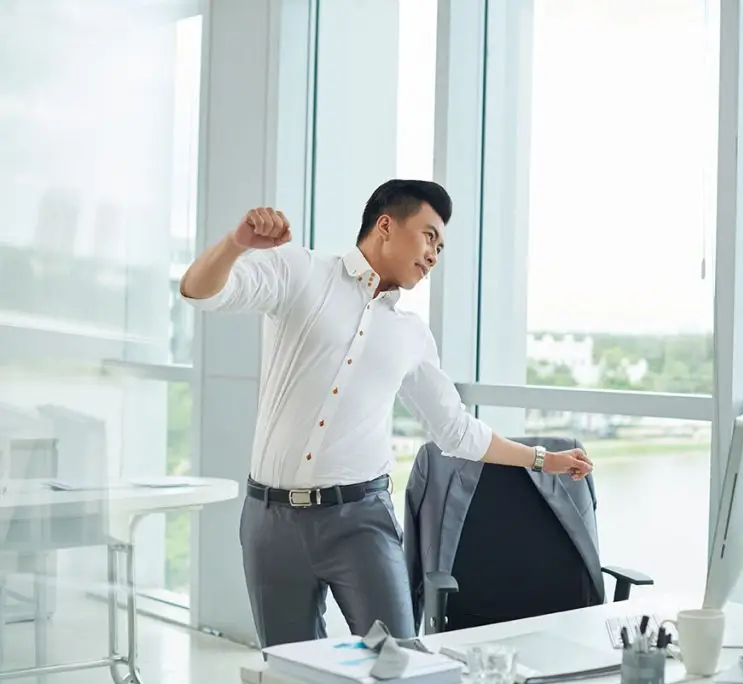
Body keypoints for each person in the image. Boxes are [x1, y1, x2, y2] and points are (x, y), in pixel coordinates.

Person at [179, 179, 593, 646]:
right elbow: (200, 292)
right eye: (429, 235)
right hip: (270, 522)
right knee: (292, 670)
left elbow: (456, 431)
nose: (435, 254)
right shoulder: (301, 271)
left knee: (400, 661)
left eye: (441, 245)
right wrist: (237, 246)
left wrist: (543, 459)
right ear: (385, 225)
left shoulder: (411, 335)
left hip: (360, 521)